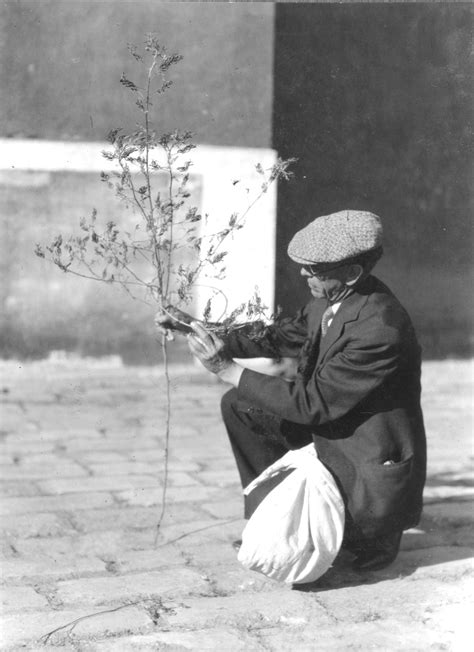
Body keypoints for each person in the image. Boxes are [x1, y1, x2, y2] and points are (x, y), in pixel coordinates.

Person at [156, 210, 427, 572]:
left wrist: (226, 368)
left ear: (351, 272)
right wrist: (194, 327)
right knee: (242, 405)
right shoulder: (330, 300)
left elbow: (312, 405)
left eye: (313, 268)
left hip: (361, 449)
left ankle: (375, 532)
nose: (302, 273)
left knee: (349, 550)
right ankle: (271, 519)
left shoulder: (380, 327)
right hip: (332, 426)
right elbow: (277, 337)